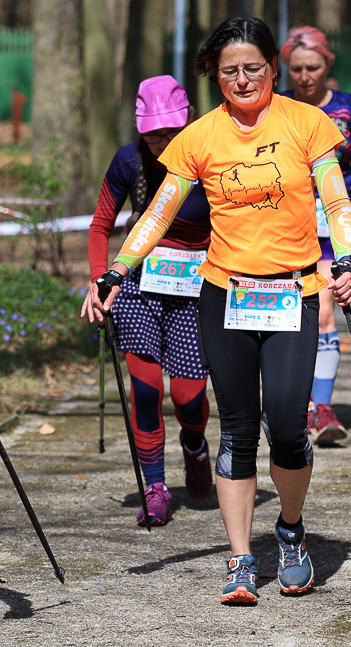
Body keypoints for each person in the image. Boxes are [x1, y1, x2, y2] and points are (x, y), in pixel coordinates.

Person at [86, 17, 351, 605]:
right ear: (215, 75)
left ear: (273, 68)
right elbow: (159, 210)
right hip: (226, 294)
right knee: (236, 427)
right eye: (229, 71)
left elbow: (335, 196)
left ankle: (290, 531)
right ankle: (240, 557)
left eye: (253, 68)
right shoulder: (200, 136)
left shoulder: (306, 123)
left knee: (287, 427)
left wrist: (347, 258)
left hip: (293, 292)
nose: (242, 80)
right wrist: (119, 267)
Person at [80, 76, 213, 526]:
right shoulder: (130, 160)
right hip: (137, 283)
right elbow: (100, 226)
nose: (162, 143)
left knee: (188, 398)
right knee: (146, 388)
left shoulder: (212, 157)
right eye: (154, 135)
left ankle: (194, 445)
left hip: (196, 286)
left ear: (188, 121)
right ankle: (154, 487)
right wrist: (99, 280)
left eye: (171, 132)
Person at [279, 26, 351, 443]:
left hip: (335, 223)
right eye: (296, 69)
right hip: (287, 224)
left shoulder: (348, 108)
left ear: (327, 64)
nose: (305, 76)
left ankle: (321, 408)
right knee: (291, 313)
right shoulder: (278, 107)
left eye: (313, 67)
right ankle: (296, 401)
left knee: (325, 309)